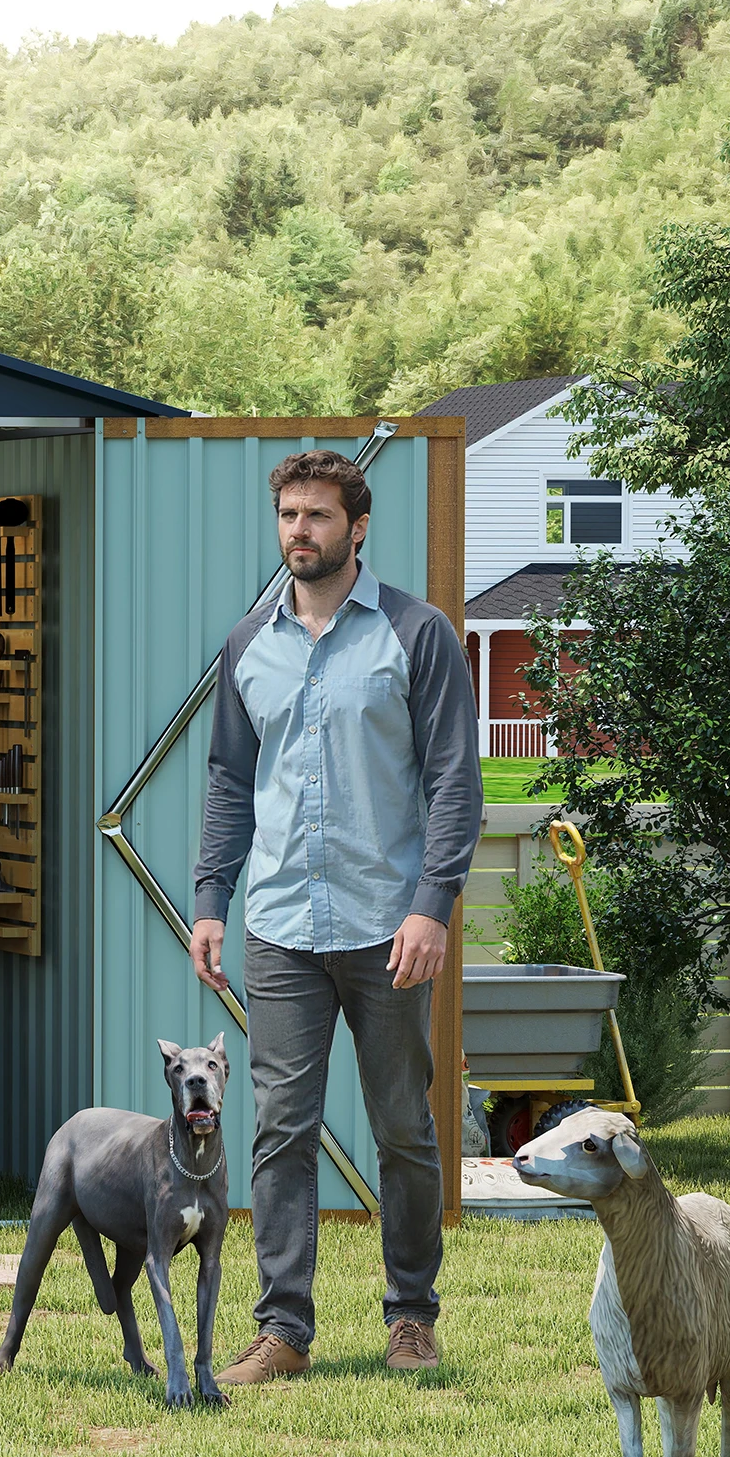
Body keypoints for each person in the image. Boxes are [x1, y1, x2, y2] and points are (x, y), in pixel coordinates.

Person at [189, 449, 482, 1382]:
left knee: (402, 1124)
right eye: (287, 517)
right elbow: (232, 782)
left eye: (317, 516)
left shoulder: (415, 633)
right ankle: (283, 1331)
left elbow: (453, 780)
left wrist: (433, 905)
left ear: (357, 528)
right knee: (279, 1128)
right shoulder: (248, 645)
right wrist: (209, 902)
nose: (299, 533)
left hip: (388, 926)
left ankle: (411, 1317)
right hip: (280, 925)